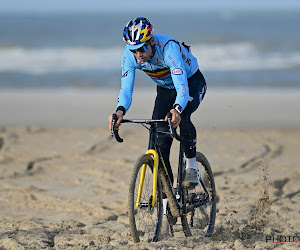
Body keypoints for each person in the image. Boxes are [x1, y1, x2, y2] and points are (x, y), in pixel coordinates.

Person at [109, 16, 207, 190]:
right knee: (159, 141)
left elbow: (181, 86)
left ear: (152, 41)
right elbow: (126, 90)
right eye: (133, 50)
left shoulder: (169, 48)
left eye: (141, 48)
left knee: (182, 116)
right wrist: (119, 112)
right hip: (165, 90)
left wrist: (176, 109)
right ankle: (167, 198)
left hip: (190, 83)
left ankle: (191, 166)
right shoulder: (130, 56)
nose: (138, 54)